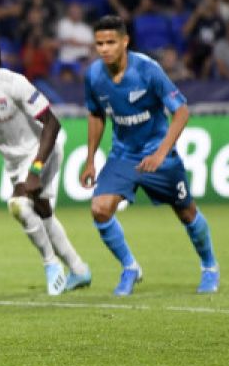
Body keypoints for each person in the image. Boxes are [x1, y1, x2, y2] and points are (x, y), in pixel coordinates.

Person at [80, 16, 219, 296]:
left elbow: (181, 112)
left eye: (110, 42)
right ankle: (130, 267)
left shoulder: (147, 70)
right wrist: (91, 158)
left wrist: (161, 153)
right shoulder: (94, 75)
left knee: (186, 211)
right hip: (123, 155)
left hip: (158, 154)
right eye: (99, 44)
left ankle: (209, 267)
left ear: (124, 42)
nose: (104, 49)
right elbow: (96, 114)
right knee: (100, 208)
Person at [0, 38, 91, 295]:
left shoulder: (14, 84)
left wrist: (36, 170)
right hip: (13, 159)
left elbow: (52, 124)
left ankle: (51, 265)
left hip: (41, 150)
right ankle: (79, 269)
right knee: (43, 212)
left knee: (19, 205)